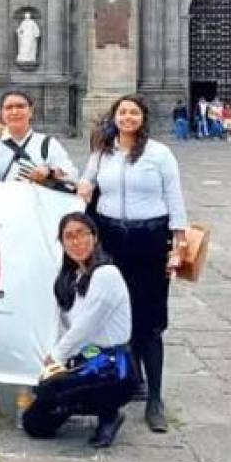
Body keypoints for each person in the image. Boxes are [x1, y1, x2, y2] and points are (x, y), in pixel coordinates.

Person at [77, 94, 189, 433]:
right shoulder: (103, 151)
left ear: (143, 118)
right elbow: (87, 183)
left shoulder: (159, 154)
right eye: (122, 112)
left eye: (133, 112)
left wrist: (178, 244)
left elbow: (174, 197)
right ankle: (130, 382)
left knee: (150, 321)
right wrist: (82, 186)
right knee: (114, 313)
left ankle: (155, 399)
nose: (127, 117)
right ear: (115, 117)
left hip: (150, 238)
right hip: (111, 240)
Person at [0, 90, 77, 400]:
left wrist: (48, 172)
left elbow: (73, 179)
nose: (14, 112)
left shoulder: (48, 145)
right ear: (1, 113)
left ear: (31, 110)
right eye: (8, 107)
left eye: (20, 106)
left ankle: (31, 364)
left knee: (28, 299)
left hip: (33, 236)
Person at [22, 213, 136, 448]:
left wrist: (54, 359)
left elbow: (85, 327)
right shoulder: (72, 276)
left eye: (82, 234)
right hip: (84, 357)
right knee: (34, 423)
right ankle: (74, 401)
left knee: (50, 388)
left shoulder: (106, 275)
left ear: (94, 237)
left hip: (113, 364)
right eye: (69, 237)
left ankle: (109, 414)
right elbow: (65, 326)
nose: (77, 242)